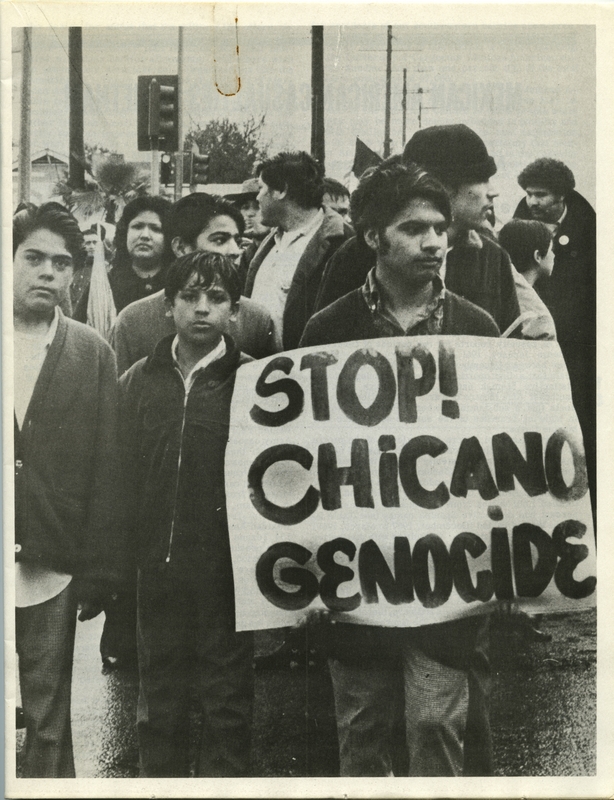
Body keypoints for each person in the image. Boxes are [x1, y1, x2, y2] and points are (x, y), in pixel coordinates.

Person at [300, 162, 499, 778]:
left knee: (436, 724)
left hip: (449, 575)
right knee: (363, 732)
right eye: (413, 228)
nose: (434, 241)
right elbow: (304, 463)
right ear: (371, 237)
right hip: (358, 575)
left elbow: (504, 461)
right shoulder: (327, 331)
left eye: (439, 228)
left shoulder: (478, 329)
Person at [120, 251, 254, 777]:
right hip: (157, 570)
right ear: (168, 307)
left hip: (228, 574)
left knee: (227, 704)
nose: (202, 309)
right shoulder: (137, 379)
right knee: (160, 703)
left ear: (235, 309)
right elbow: (119, 474)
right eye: (189, 297)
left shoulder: (255, 383)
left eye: (216, 298)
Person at [13, 202, 125, 777]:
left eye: (61, 262)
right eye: (34, 257)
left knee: (48, 718)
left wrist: (99, 571)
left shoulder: (90, 352)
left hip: (53, 561)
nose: (48, 272)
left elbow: (108, 469)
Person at [315, 125, 520, 335]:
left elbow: (510, 346)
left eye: (438, 229)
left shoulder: (492, 259)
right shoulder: (354, 256)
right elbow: (323, 344)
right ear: (442, 185)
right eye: (482, 179)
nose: (493, 192)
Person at [110, 192, 277, 376]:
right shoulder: (133, 321)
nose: (235, 251)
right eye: (220, 240)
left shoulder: (256, 321)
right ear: (181, 248)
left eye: (237, 241)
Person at [513, 158, 596, 511]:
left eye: (541, 194)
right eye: (529, 194)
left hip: (580, 347)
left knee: (581, 420)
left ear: (562, 195)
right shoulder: (520, 224)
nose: (532, 201)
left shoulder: (590, 230)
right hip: (533, 338)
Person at [243, 150, 353, 350]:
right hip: (258, 373)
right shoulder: (270, 243)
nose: (258, 197)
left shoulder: (343, 244)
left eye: (261, 188)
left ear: (281, 190)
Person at [74, 195, 174, 321]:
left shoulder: (177, 283)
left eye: (155, 229)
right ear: (125, 233)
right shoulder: (105, 284)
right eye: (137, 226)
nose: (145, 235)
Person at [498, 219, 556, 340]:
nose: (553, 255)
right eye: (551, 249)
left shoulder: (498, 290)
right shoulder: (537, 314)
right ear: (537, 256)